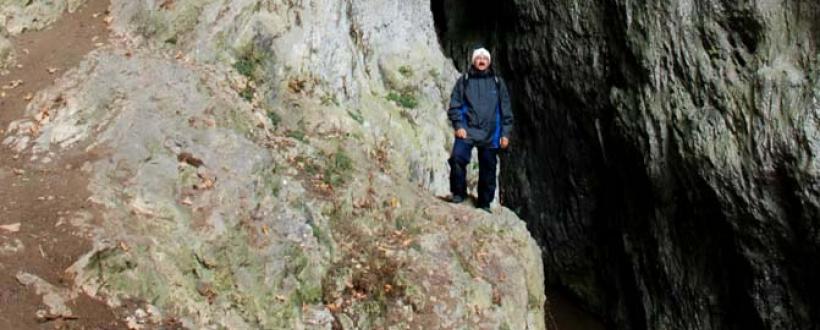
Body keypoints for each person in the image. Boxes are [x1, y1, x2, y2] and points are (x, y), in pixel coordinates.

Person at [447, 47, 513, 213]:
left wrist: (505, 134)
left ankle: (484, 203)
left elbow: (505, 110)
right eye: (478, 57)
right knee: (457, 158)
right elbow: (455, 105)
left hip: (491, 133)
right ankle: (458, 193)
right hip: (467, 129)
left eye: (485, 58)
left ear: (489, 62)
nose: (482, 60)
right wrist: (459, 126)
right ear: (473, 61)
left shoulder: (498, 83)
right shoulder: (465, 80)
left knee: (488, 168)